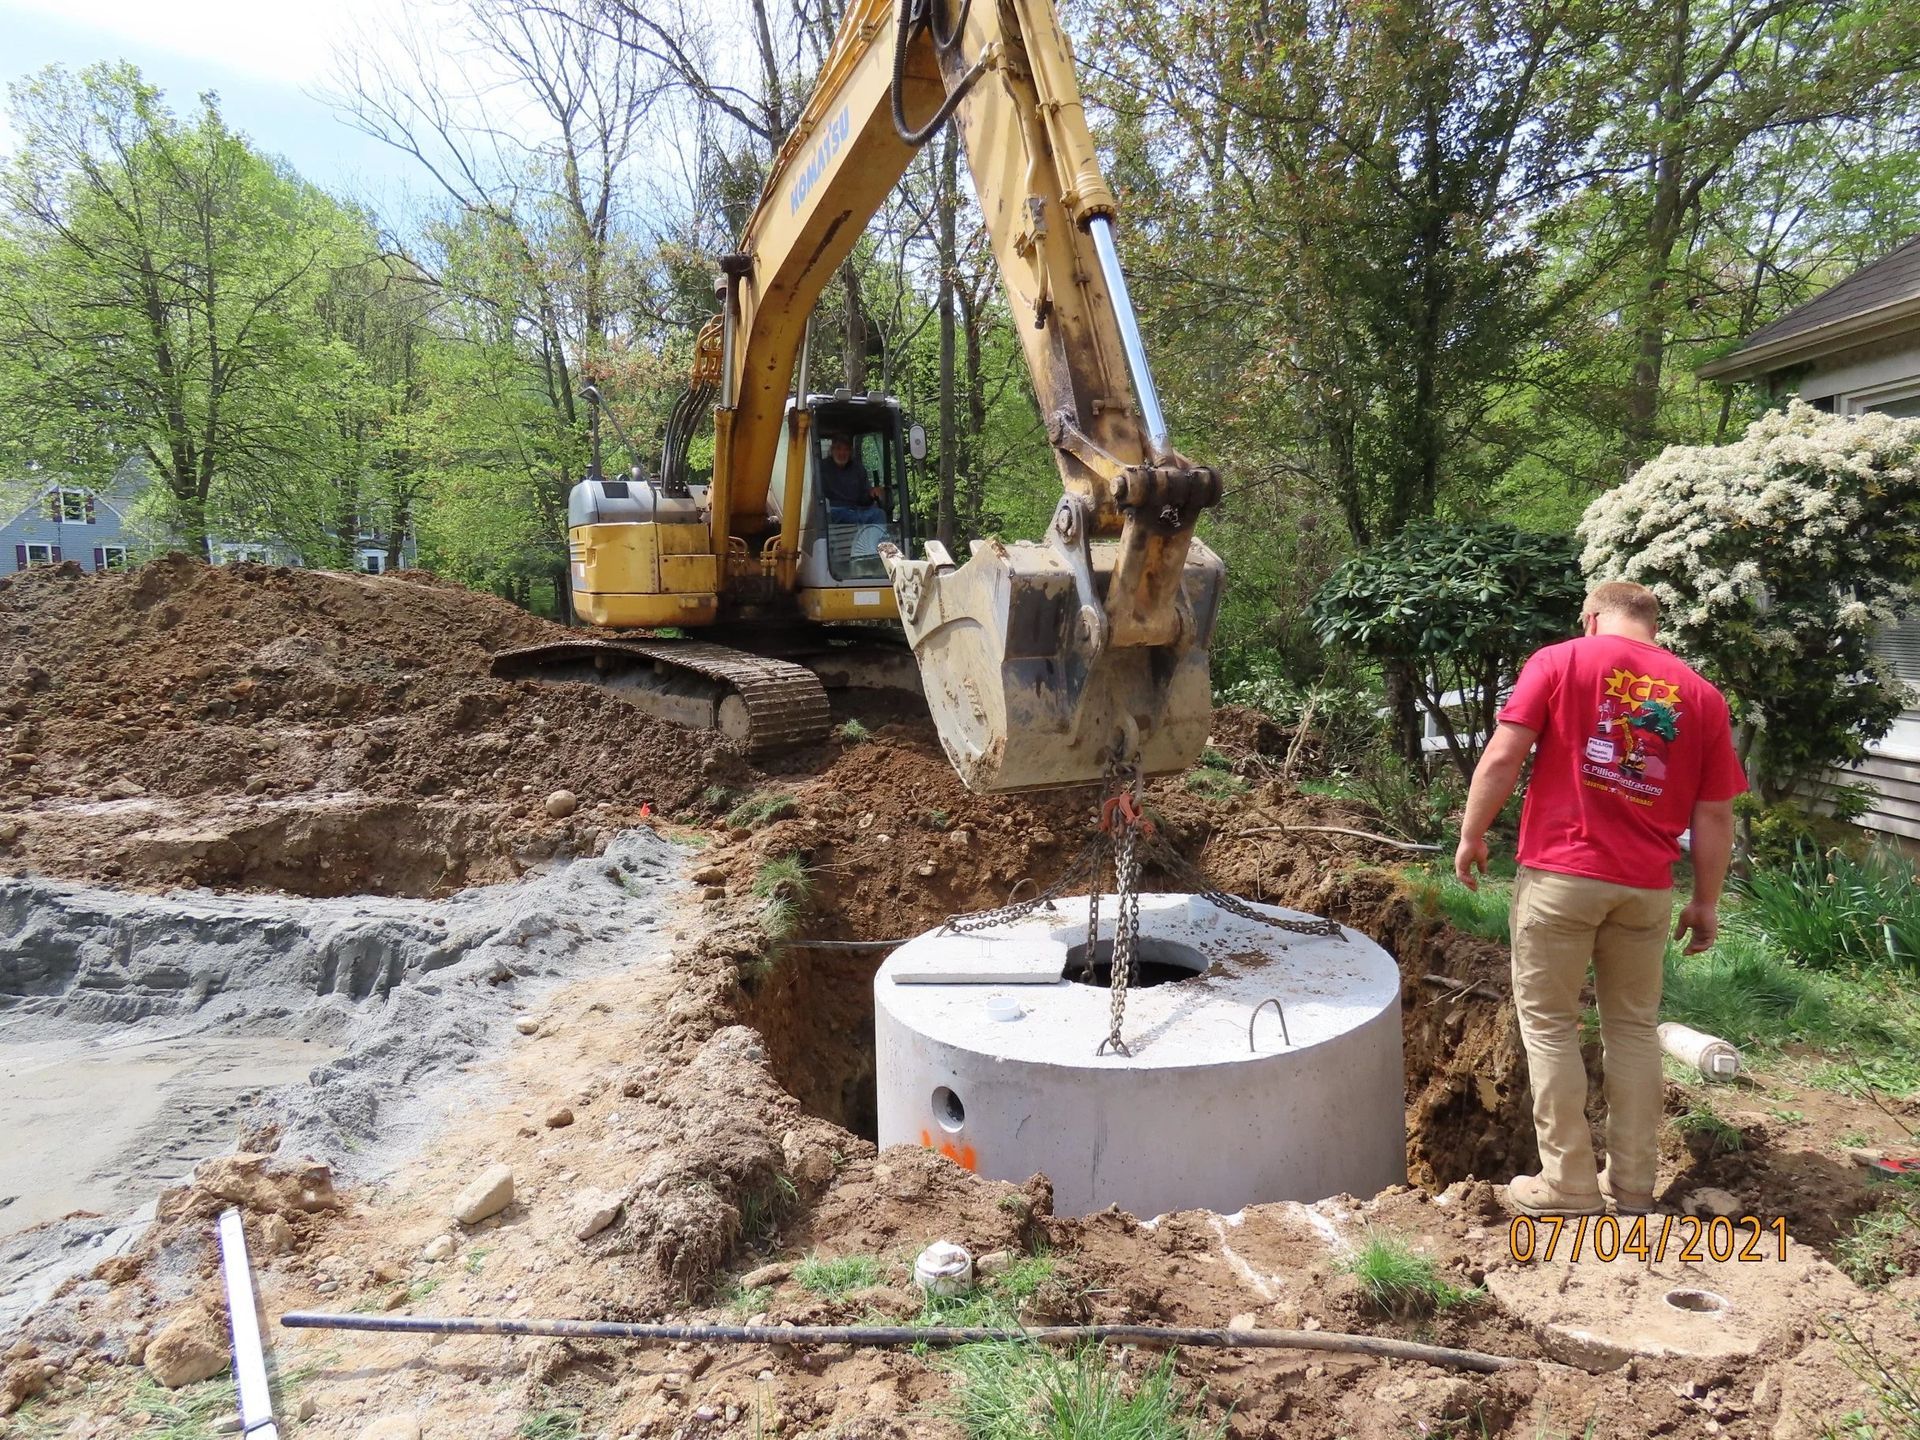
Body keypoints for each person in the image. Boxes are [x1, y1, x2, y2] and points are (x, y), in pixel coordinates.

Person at [1454, 580, 1747, 1218]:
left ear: (1591, 618)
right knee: (1634, 1031)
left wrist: (1474, 833)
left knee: (1552, 1026)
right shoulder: (1701, 695)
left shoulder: (1559, 661)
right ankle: (1634, 1187)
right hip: (1645, 890)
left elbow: (1504, 756)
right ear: (1653, 625)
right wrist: (1705, 901)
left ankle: (1569, 1186)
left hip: (1562, 877)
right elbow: (1715, 815)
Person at [819, 434, 887, 526]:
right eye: (838, 449)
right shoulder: (821, 467)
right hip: (833, 511)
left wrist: (872, 494)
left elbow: (864, 499)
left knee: (879, 514)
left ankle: (871, 540)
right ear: (832, 450)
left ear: (851, 452)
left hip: (855, 510)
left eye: (846, 449)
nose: (842, 453)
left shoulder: (858, 468)